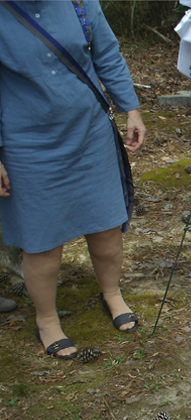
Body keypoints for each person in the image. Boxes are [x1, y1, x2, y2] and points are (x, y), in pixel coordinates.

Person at [0, 1, 146, 359]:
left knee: (106, 225)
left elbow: (106, 53)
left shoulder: (79, 2)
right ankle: (47, 319)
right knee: (43, 241)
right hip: (27, 143)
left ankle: (111, 293)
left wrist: (131, 108)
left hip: (90, 131)